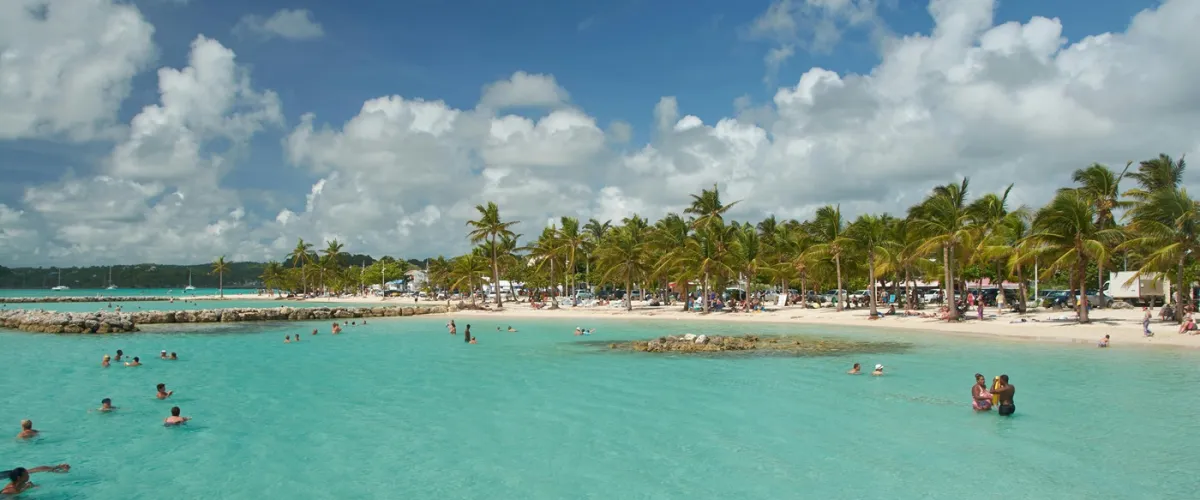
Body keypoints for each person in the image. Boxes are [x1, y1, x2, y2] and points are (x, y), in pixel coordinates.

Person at [1, 465, 70, 495]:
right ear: (19, 478)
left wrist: (56, 467)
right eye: (26, 474)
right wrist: (24, 489)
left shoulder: (20, 483)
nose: (28, 475)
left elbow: (39, 468)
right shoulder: (9, 491)